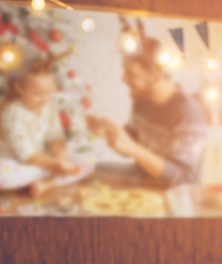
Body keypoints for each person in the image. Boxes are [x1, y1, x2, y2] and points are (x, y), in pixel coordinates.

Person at [86, 18, 207, 187]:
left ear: (156, 75)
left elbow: (183, 178)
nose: (124, 79)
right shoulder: (141, 99)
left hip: (175, 192)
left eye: (131, 74)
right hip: (143, 176)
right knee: (92, 172)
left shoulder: (188, 113)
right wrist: (108, 132)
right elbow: (131, 143)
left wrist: (132, 148)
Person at [0, 58, 92, 197]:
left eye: (49, 93)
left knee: (88, 159)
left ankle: (46, 184)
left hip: (40, 158)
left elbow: (55, 135)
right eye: (37, 94)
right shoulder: (12, 114)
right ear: (19, 88)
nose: (45, 99)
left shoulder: (48, 106)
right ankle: (52, 174)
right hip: (12, 161)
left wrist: (59, 150)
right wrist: (56, 166)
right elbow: (27, 155)